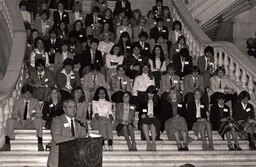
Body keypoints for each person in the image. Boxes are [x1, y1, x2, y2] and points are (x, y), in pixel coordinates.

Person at [0, 85, 44, 151]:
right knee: (9, 121)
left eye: (30, 93)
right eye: (26, 93)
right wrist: (19, 119)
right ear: (23, 94)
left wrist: (31, 119)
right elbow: (14, 113)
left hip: (31, 123)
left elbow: (39, 113)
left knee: (38, 120)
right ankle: (7, 143)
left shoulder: (35, 101)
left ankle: (40, 143)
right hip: (20, 122)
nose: (28, 95)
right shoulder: (18, 102)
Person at [47, 99, 88, 167]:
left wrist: (84, 127)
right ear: (64, 109)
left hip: (73, 160)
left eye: (75, 107)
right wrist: (73, 139)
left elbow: (82, 138)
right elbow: (56, 138)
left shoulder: (78, 122)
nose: (73, 109)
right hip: (58, 159)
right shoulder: (57, 120)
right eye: (70, 107)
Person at [91, 86, 114, 151]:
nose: (102, 94)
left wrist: (111, 119)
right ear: (97, 94)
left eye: (103, 93)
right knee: (103, 122)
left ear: (106, 94)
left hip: (105, 121)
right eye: (100, 93)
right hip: (96, 120)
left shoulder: (109, 103)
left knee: (108, 123)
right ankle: (102, 143)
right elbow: (95, 113)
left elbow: (110, 112)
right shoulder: (94, 102)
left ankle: (110, 144)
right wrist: (101, 119)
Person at [138, 85, 161, 151]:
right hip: (146, 118)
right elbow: (141, 112)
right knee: (144, 123)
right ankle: (148, 143)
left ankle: (153, 143)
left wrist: (154, 116)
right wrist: (142, 115)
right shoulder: (143, 100)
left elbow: (159, 112)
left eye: (152, 93)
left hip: (154, 119)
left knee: (153, 124)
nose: (150, 95)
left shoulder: (157, 100)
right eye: (149, 93)